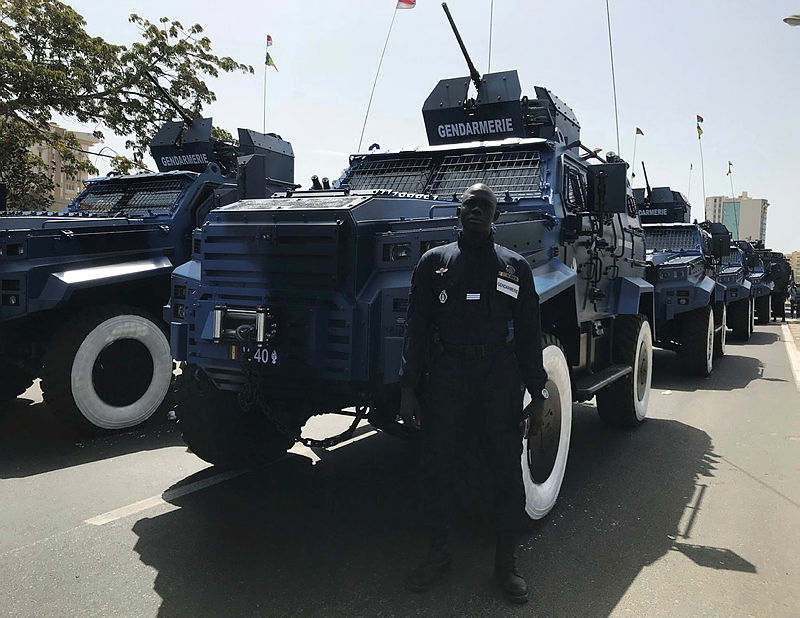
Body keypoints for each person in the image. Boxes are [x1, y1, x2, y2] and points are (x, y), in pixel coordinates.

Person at [398, 183, 548, 604]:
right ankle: (439, 554)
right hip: (446, 375)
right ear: (458, 212)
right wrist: (409, 388)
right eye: (471, 204)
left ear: (496, 217)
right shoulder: (434, 263)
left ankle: (506, 565)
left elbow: (529, 335)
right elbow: (417, 328)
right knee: (438, 466)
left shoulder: (514, 267)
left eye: (487, 206)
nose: (478, 211)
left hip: (497, 376)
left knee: (504, 470)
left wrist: (537, 394)